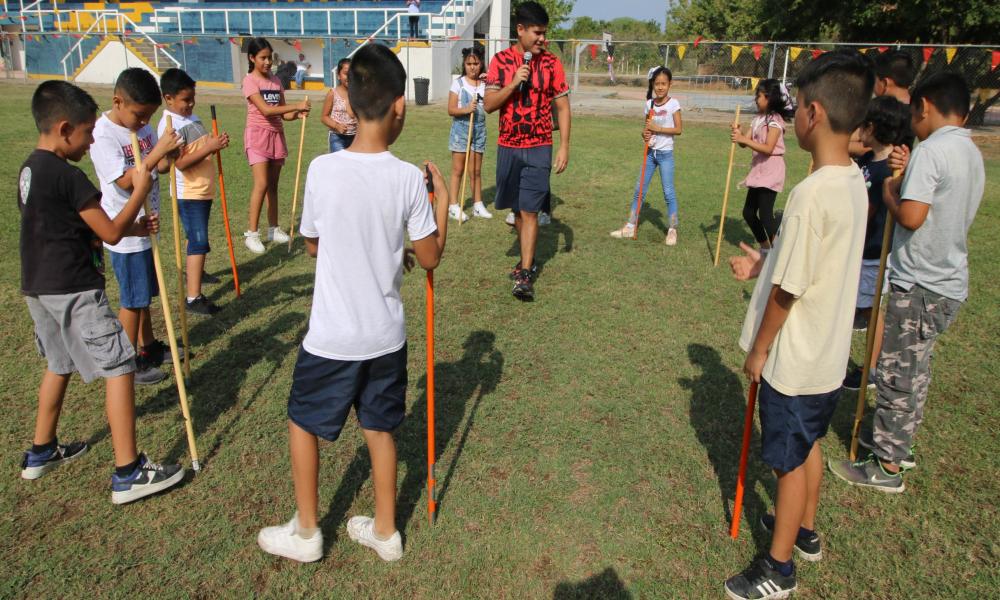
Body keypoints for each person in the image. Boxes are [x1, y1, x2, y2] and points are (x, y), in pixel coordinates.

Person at [256, 43, 450, 563]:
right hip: (386, 337)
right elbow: (429, 257)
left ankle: (307, 533)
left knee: (303, 422)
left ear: (348, 97)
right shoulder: (410, 177)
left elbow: (316, 244)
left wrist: (379, 249)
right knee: (379, 426)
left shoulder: (322, 169)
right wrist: (443, 206)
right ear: (399, 107)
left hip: (334, 336)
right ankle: (386, 532)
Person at [725, 50, 874, 599]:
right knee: (808, 444)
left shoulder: (811, 195)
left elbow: (789, 293)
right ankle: (805, 532)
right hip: (828, 358)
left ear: (812, 113)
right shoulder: (852, 179)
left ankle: (779, 567)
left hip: (796, 358)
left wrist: (759, 350)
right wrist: (764, 262)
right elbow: (811, 263)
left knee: (787, 462)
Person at [19, 80, 185, 503]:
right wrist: (141, 192)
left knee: (59, 363)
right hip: (74, 288)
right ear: (63, 128)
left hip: (39, 288)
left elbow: (78, 231)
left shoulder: (29, 170)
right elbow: (110, 232)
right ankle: (128, 471)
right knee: (120, 366)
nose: (92, 139)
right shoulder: (69, 177)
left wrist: (133, 225)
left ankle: (41, 450)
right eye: (86, 131)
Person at [829, 72, 985, 492]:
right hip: (946, 281)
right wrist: (904, 173)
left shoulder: (933, 151)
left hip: (919, 282)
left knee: (896, 374)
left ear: (925, 107)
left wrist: (889, 192)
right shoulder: (969, 149)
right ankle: (897, 441)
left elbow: (912, 217)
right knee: (915, 371)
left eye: (915, 113)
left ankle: (887, 466)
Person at [89, 68, 185, 385]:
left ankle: (149, 347)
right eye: (139, 116)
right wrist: (157, 152)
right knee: (133, 301)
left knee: (144, 296)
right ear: (118, 101)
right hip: (125, 233)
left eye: (148, 118)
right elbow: (128, 181)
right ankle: (126, 363)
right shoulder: (102, 135)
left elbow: (159, 166)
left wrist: (169, 155)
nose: (144, 124)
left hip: (147, 227)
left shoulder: (142, 130)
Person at [484, 1, 571, 301]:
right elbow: (489, 105)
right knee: (517, 210)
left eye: (545, 33)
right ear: (520, 30)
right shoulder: (499, 62)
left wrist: (564, 146)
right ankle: (525, 260)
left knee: (530, 211)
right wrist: (512, 84)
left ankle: (525, 272)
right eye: (537, 33)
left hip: (539, 148)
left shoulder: (552, 63)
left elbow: (562, 105)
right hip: (508, 147)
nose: (542, 39)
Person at [841, 97, 912, 389]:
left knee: (870, 311)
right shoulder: (869, 160)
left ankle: (872, 368)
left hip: (871, 253)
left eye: (862, 125)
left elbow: (867, 213)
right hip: (858, 251)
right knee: (854, 308)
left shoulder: (888, 171)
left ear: (872, 127)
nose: (858, 131)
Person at [157, 67, 230, 316]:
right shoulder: (170, 127)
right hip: (188, 192)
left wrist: (215, 143)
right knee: (199, 241)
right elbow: (180, 163)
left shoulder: (192, 118)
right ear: (168, 98)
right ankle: (193, 297)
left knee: (194, 238)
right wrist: (209, 147)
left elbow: (201, 147)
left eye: (192, 98)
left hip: (203, 189)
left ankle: (195, 273)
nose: (190, 104)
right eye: (185, 100)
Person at [241, 37, 310, 254]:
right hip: (257, 136)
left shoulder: (276, 82)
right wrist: (295, 105)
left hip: (276, 136)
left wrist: (297, 113)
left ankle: (273, 228)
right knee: (261, 183)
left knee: (273, 185)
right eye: (262, 58)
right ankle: (252, 234)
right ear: (252, 58)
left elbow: (283, 112)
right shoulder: (250, 81)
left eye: (269, 58)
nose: (267, 62)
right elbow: (267, 111)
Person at [609, 66, 682, 245]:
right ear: (652, 84)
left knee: (668, 192)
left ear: (670, 84)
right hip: (650, 154)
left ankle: (672, 229)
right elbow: (646, 129)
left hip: (665, 155)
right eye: (657, 84)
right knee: (638, 190)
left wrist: (659, 129)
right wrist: (646, 134)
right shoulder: (649, 104)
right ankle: (630, 226)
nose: (660, 87)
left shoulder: (674, 104)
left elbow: (679, 129)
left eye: (664, 84)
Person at [731, 79, 795, 253]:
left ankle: (779, 250)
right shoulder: (757, 119)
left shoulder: (775, 120)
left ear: (769, 98)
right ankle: (766, 248)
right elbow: (745, 142)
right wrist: (739, 134)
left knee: (766, 215)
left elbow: (768, 148)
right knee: (749, 213)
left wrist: (744, 139)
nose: (756, 99)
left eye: (758, 96)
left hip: (771, 168)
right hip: (758, 169)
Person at [447, 45, 491, 221]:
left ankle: (478, 205)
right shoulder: (458, 83)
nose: (472, 67)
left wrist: (492, 81)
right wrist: (466, 108)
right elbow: (450, 110)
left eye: (476, 63)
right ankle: (453, 206)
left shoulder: (485, 84)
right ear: (464, 64)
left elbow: (491, 105)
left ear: (481, 64)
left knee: (476, 171)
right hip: (461, 130)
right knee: (458, 170)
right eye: (468, 64)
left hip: (479, 130)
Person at [321, 58, 357, 153]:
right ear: (338, 76)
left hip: (356, 138)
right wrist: (337, 126)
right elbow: (324, 117)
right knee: (339, 166)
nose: (349, 76)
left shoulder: (358, 94)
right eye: (346, 73)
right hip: (337, 138)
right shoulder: (332, 93)